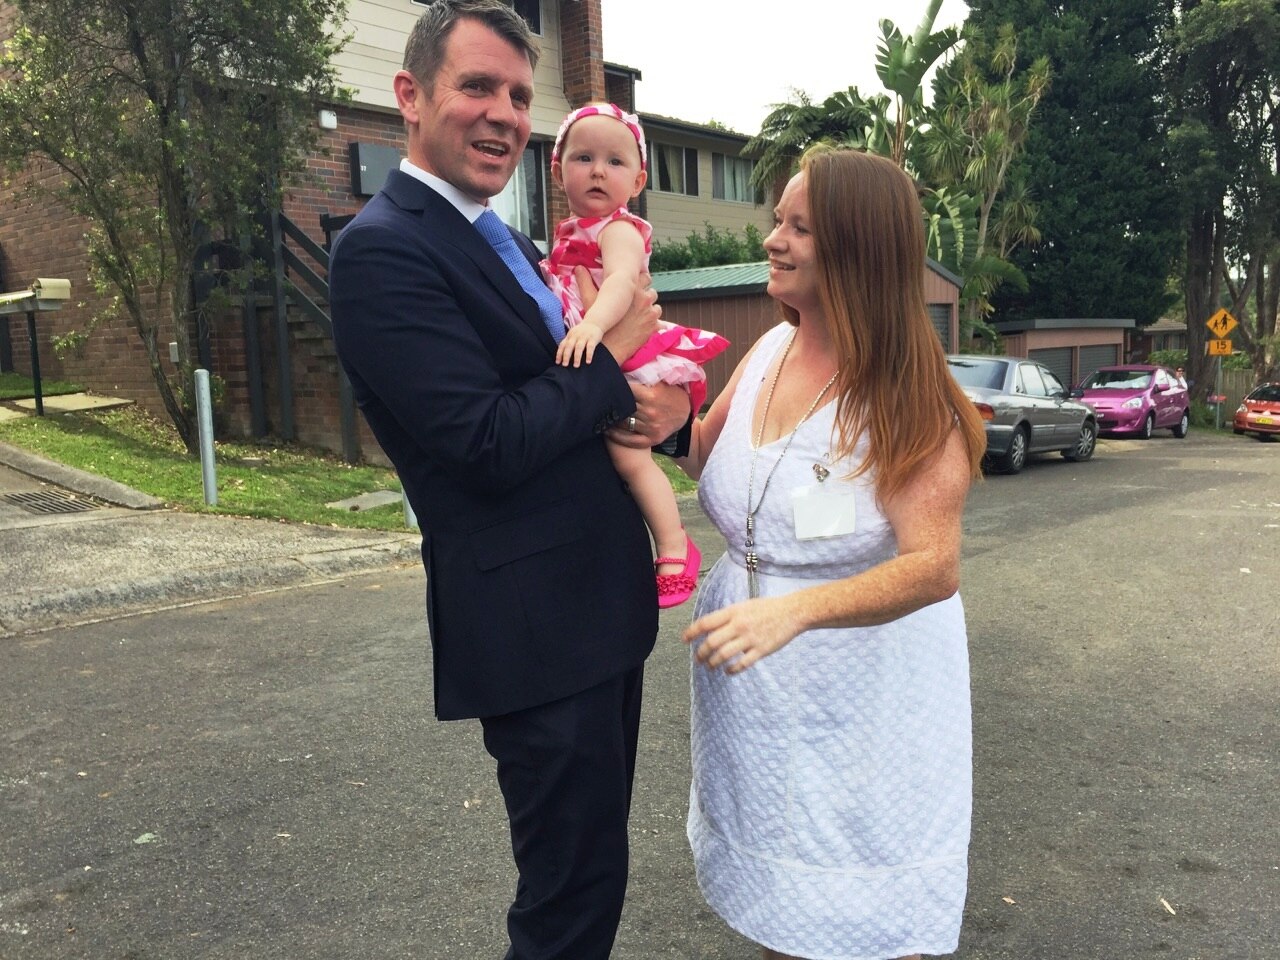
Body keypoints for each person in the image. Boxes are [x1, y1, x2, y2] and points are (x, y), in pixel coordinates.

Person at [327, 2, 689, 957]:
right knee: (567, 893)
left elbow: (577, 401)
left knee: (593, 870)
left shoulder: (507, 240)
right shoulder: (384, 249)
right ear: (410, 96)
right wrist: (614, 352)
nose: (502, 115)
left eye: (520, 96)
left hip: (591, 611)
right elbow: (484, 441)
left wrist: (664, 412)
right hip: (532, 630)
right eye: (477, 87)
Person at [676, 147, 987, 960]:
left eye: (799, 227)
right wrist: (656, 412)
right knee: (785, 904)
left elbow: (933, 565)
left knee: (865, 904)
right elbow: (708, 459)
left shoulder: (910, 397)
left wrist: (795, 610)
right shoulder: (770, 351)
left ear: (857, 248)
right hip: (760, 681)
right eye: (777, 219)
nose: (774, 239)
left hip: (866, 698)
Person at [542, 102, 729, 607]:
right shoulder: (567, 236)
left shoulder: (618, 229)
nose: (598, 171)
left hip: (623, 350)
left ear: (639, 180)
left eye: (615, 162)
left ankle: (674, 545)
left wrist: (597, 328)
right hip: (597, 355)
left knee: (630, 455)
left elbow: (623, 280)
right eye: (583, 158)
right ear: (558, 171)